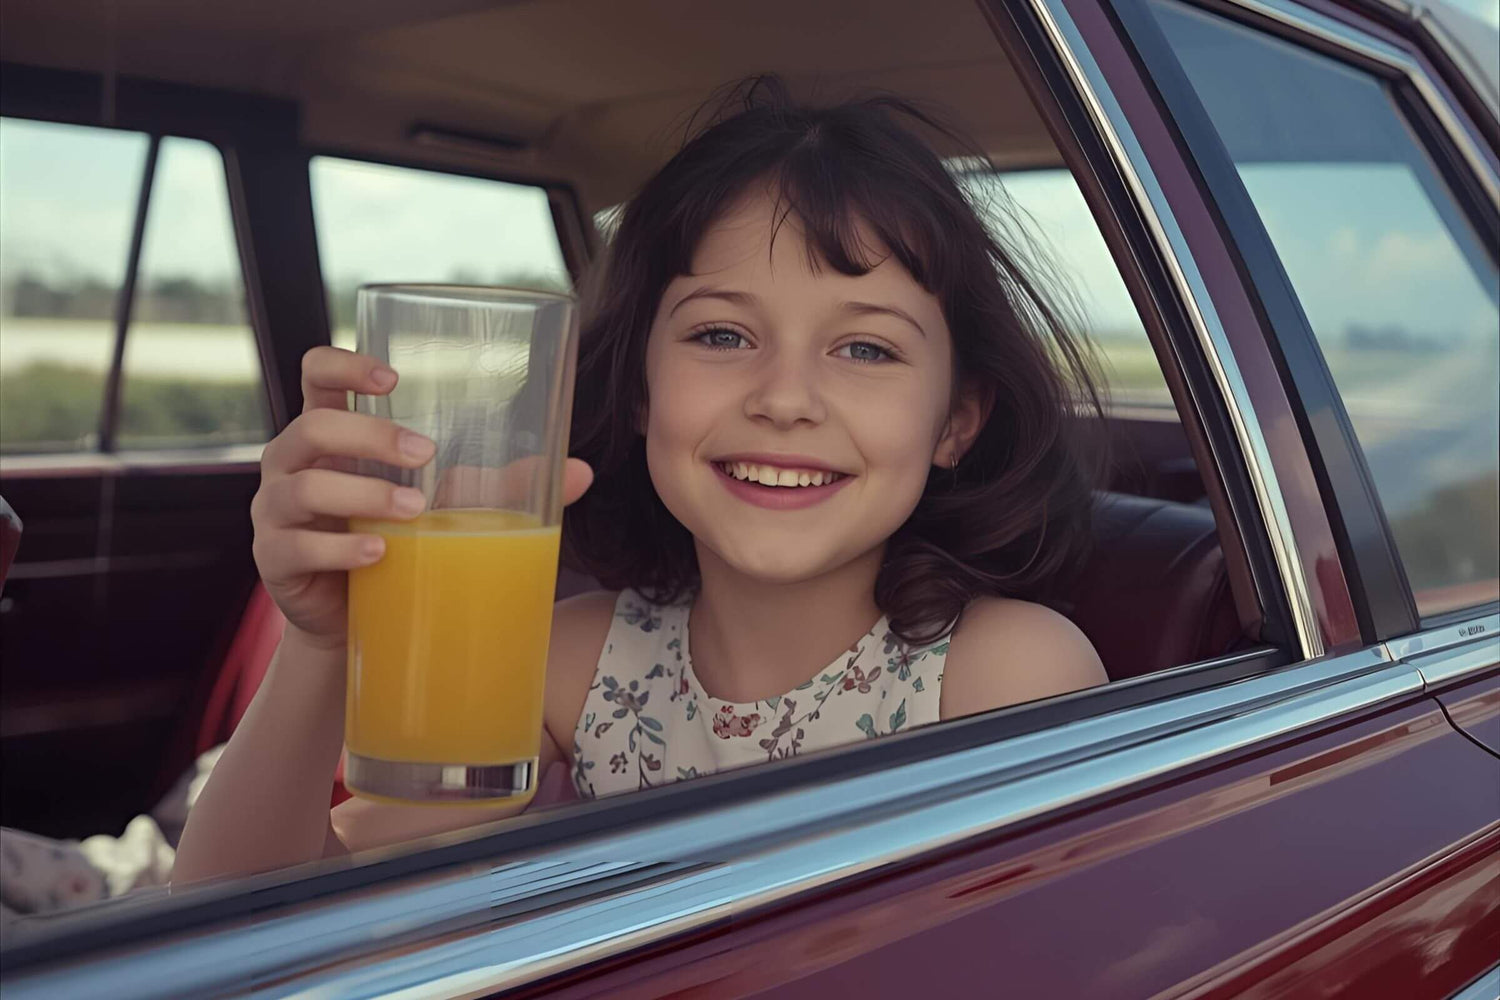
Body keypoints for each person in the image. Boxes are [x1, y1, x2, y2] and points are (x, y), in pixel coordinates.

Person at [174, 77, 1109, 884]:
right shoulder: (569, 668)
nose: (785, 399)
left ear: (954, 422)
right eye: (721, 335)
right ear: (637, 390)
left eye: (865, 347)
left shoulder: (1002, 673)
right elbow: (261, 926)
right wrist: (322, 642)